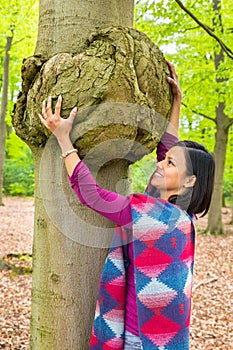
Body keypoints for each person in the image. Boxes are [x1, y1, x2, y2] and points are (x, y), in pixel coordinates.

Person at [39, 62, 215, 350]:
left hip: (140, 343)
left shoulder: (146, 217)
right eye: (165, 158)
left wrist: (63, 139)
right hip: (170, 340)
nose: (160, 162)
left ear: (189, 181)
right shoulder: (184, 216)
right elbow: (169, 148)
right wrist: (176, 102)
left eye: (169, 163)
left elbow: (91, 195)